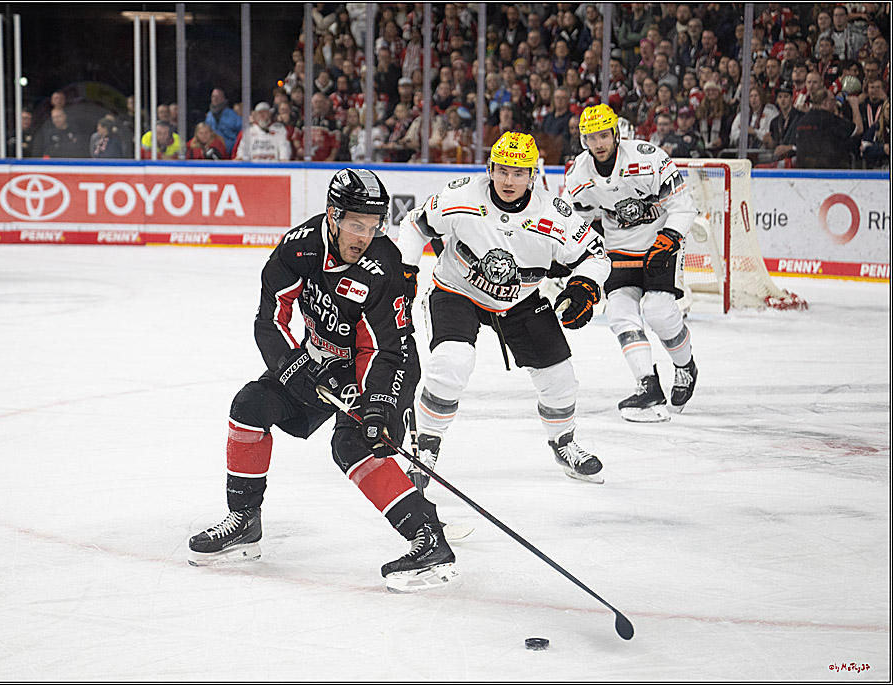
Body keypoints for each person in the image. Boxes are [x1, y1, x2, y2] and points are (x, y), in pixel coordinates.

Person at [187, 168, 457, 593]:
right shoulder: (299, 249)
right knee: (249, 406)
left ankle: (428, 540)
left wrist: (377, 407)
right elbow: (269, 320)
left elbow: (383, 349)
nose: (364, 235)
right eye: (355, 224)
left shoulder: (384, 265)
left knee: (353, 444)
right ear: (332, 215)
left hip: (387, 365)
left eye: (373, 226)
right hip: (318, 363)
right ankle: (244, 521)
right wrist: (291, 366)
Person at [395, 132, 611, 485]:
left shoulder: (555, 215)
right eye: (503, 171)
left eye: (519, 173)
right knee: (452, 363)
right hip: (457, 291)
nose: (509, 181)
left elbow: (596, 255)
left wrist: (584, 285)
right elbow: (415, 225)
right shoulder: (462, 195)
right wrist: (406, 270)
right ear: (490, 169)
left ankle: (564, 443)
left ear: (533, 175)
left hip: (519, 301)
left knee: (560, 380)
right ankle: (426, 447)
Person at [565, 104, 699, 422]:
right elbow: (576, 222)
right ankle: (648, 386)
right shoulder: (579, 173)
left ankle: (685, 366)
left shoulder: (648, 158)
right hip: (621, 246)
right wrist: (578, 263)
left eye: (603, 135)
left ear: (615, 134)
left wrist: (668, 239)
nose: (598, 143)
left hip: (659, 242)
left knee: (659, 312)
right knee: (620, 312)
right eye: (591, 137)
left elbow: (684, 205)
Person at [205, 88, 243, 156]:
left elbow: (242, 132)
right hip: (212, 152)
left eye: (218, 97)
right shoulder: (209, 116)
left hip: (229, 153)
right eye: (213, 96)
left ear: (223, 98)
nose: (215, 99)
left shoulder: (233, 115)